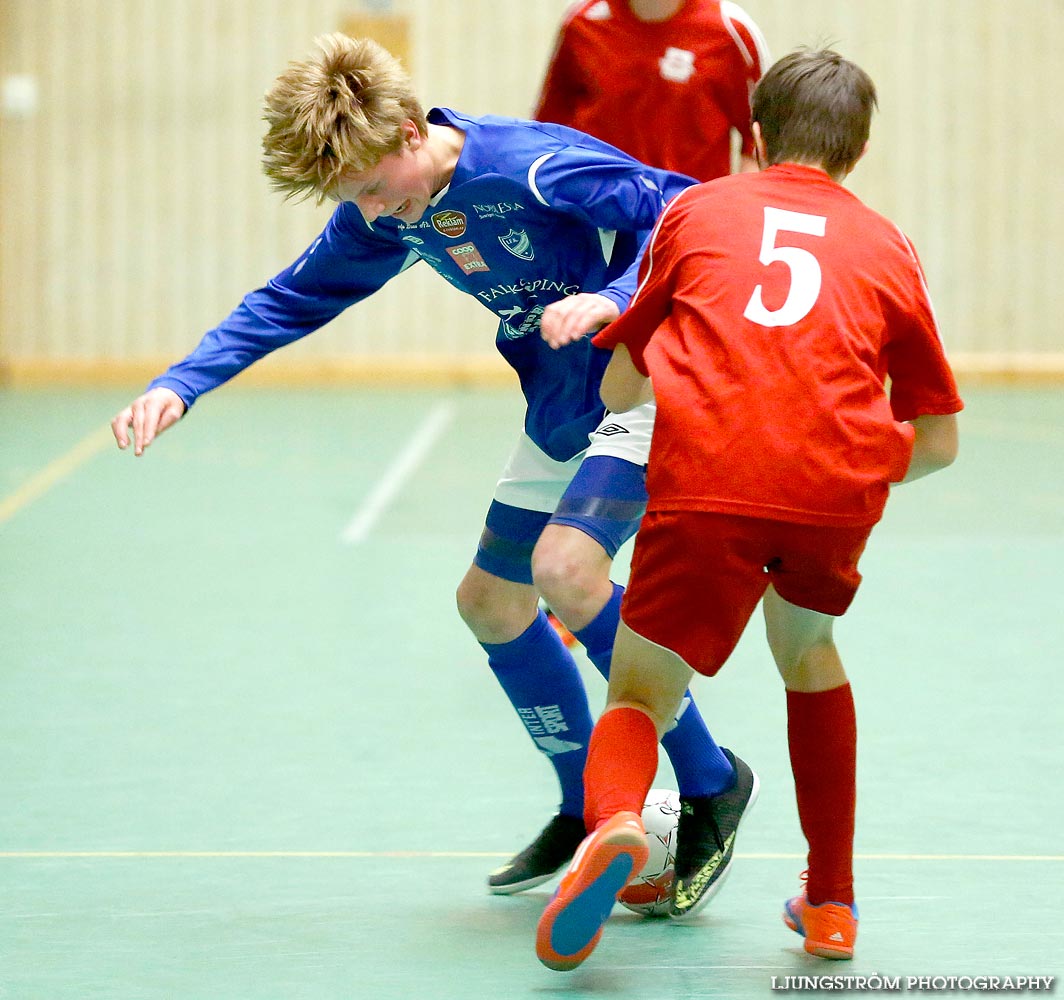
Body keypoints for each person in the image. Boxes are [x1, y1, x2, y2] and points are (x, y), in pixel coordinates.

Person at [109, 33, 758, 913]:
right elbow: (290, 296)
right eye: (353, 201)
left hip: (642, 382)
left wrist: (615, 297)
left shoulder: (532, 167)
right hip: (561, 406)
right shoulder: (392, 210)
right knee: (488, 602)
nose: (373, 216)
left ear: (412, 130)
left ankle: (711, 780)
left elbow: (686, 211)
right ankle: (578, 803)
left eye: (373, 190)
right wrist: (181, 382)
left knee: (566, 572)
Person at [535, 47, 963, 972]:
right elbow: (938, 442)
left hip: (708, 483)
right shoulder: (889, 243)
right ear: (855, 151)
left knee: (642, 692)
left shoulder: (697, 209)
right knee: (808, 655)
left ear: (755, 135)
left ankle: (615, 826)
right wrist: (840, 465)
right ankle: (834, 906)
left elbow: (621, 377)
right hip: (834, 492)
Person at [534, 0, 770, 180]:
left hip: (687, 217)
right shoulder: (583, 22)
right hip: (599, 218)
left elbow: (759, 142)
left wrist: (729, 214)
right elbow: (547, 134)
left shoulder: (731, 31)